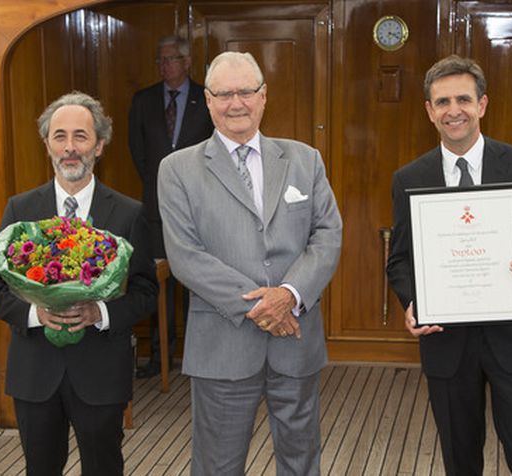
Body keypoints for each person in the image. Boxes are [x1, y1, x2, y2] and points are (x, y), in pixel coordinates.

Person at [386, 55, 512, 476]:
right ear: (429, 111)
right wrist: (414, 302)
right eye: (443, 101)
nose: (455, 110)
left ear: (482, 104)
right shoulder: (409, 178)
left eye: (464, 99)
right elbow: (399, 259)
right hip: (446, 343)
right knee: (460, 461)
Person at [158, 51, 342, 475]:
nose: (235, 102)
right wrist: (262, 307)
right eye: (224, 93)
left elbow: (328, 234)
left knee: (301, 463)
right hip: (222, 345)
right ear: (207, 100)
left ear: (263, 97)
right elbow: (185, 255)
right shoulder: (177, 170)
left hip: (295, 341)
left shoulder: (304, 159)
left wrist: (289, 295)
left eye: (245, 91)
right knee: (217, 466)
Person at [0, 92, 157, 475]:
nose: (70, 148)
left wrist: (100, 311)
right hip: (35, 375)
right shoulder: (20, 209)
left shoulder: (129, 214)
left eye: (81, 137)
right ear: (47, 144)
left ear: (99, 145)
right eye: (59, 136)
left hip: (101, 375)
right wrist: (35, 313)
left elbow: (147, 291)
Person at [128, 35, 214, 378]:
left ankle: (197, 358)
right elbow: (139, 153)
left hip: (200, 207)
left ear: (187, 62)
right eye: (160, 61)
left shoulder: (205, 99)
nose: (165, 67)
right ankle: (160, 357)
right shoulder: (144, 101)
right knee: (159, 284)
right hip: (155, 210)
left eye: (171, 60)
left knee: (196, 284)